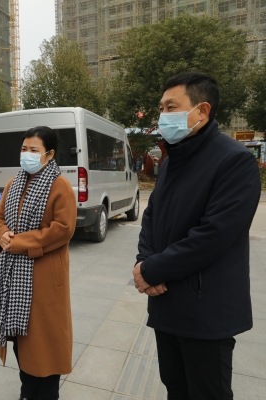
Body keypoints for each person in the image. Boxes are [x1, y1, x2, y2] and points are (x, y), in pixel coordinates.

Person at [133, 72, 261, 400]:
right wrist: (143, 261)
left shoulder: (234, 161)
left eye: (171, 107)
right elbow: (151, 216)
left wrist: (152, 270)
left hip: (206, 311)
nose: (163, 115)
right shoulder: (171, 161)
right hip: (166, 304)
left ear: (202, 111)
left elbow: (213, 235)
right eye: (161, 108)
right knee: (175, 388)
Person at [0, 126, 77, 400]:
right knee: (22, 344)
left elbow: (62, 229)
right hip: (14, 278)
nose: (26, 154)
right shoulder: (13, 183)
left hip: (45, 280)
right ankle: (27, 393)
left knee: (46, 348)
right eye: (23, 149)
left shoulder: (60, 186)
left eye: (33, 150)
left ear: (49, 154)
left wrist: (18, 242)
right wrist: (2, 235)